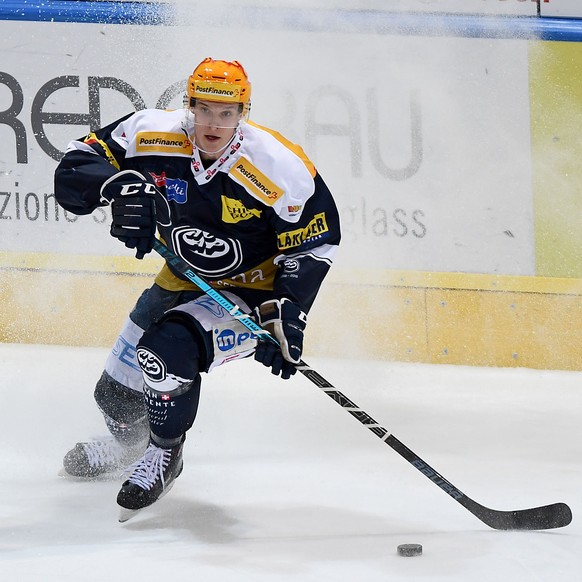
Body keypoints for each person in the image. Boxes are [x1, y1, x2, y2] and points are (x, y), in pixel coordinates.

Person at [54, 57, 341, 515]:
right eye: (205, 110)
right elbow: (75, 166)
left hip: (251, 291)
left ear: (243, 112)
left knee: (166, 349)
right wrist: (119, 188)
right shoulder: (151, 132)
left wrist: (287, 309)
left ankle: (164, 452)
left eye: (227, 114)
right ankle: (131, 447)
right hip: (183, 275)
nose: (214, 123)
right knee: (114, 399)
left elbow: (315, 244)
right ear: (189, 105)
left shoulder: (278, 166)